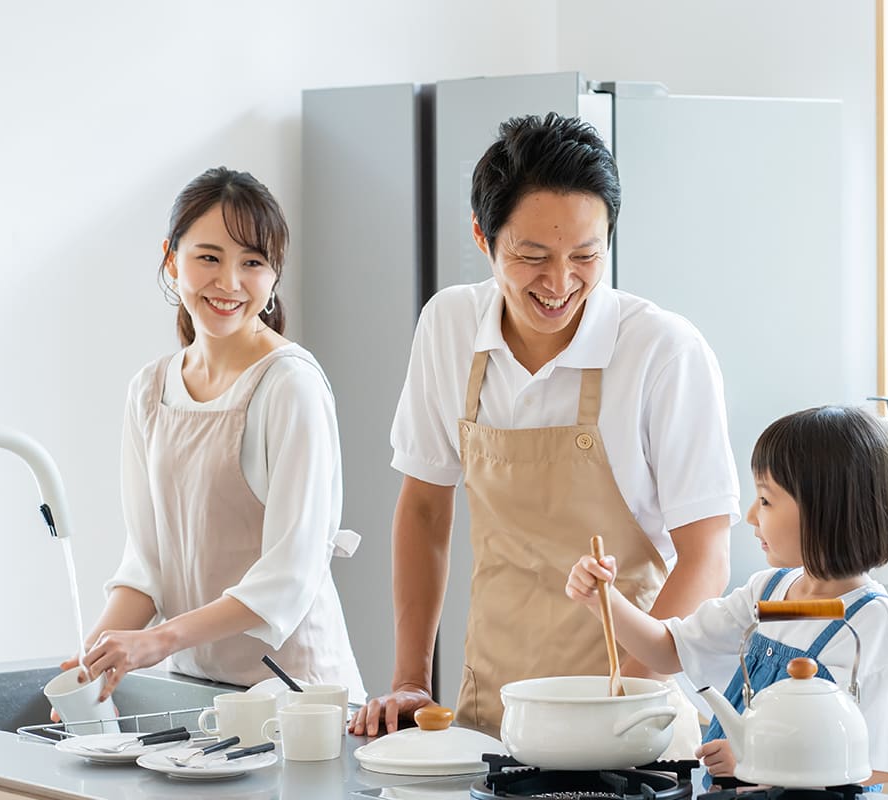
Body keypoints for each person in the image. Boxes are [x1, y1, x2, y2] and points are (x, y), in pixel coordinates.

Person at [350, 112, 742, 740]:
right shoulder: (449, 325)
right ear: (483, 237)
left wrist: (629, 699)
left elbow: (707, 556)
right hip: (495, 708)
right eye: (532, 257)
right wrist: (410, 682)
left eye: (586, 255)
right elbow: (424, 509)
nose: (560, 284)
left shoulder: (663, 351)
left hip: (631, 715)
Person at [61, 167, 365, 703]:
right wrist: (92, 663)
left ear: (273, 278)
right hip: (199, 691)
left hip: (296, 696)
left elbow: (288, 575)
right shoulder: (149, 390)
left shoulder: (290, 385)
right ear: (171, 258)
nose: (229, 282)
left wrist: (157, 641)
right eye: (209, 257)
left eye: (252, 263)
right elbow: (148, 563)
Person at [566, 405, 888, 788]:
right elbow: (668, 651)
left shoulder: (874, 625)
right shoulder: (768, 594)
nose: (752, 515)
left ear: (826, 511)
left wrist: (761, 761)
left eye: (767, 501)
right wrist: (603, 599)